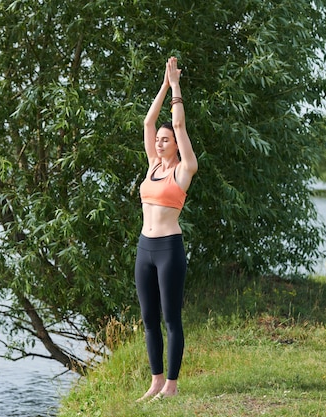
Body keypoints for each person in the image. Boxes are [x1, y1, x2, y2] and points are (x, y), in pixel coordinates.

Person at [135, 56, 198, 401]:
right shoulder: (152, 166)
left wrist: (176, 88)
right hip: (145, 248)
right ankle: (156, 381)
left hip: (169, 249)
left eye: (165, 139)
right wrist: (162, 83)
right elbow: (148, 121)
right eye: (157, 139)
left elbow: (180, 125)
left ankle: (172, 386)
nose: (159, 141)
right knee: (148, 319)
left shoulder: (184, 169)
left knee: (171, 318)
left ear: (175, 144)